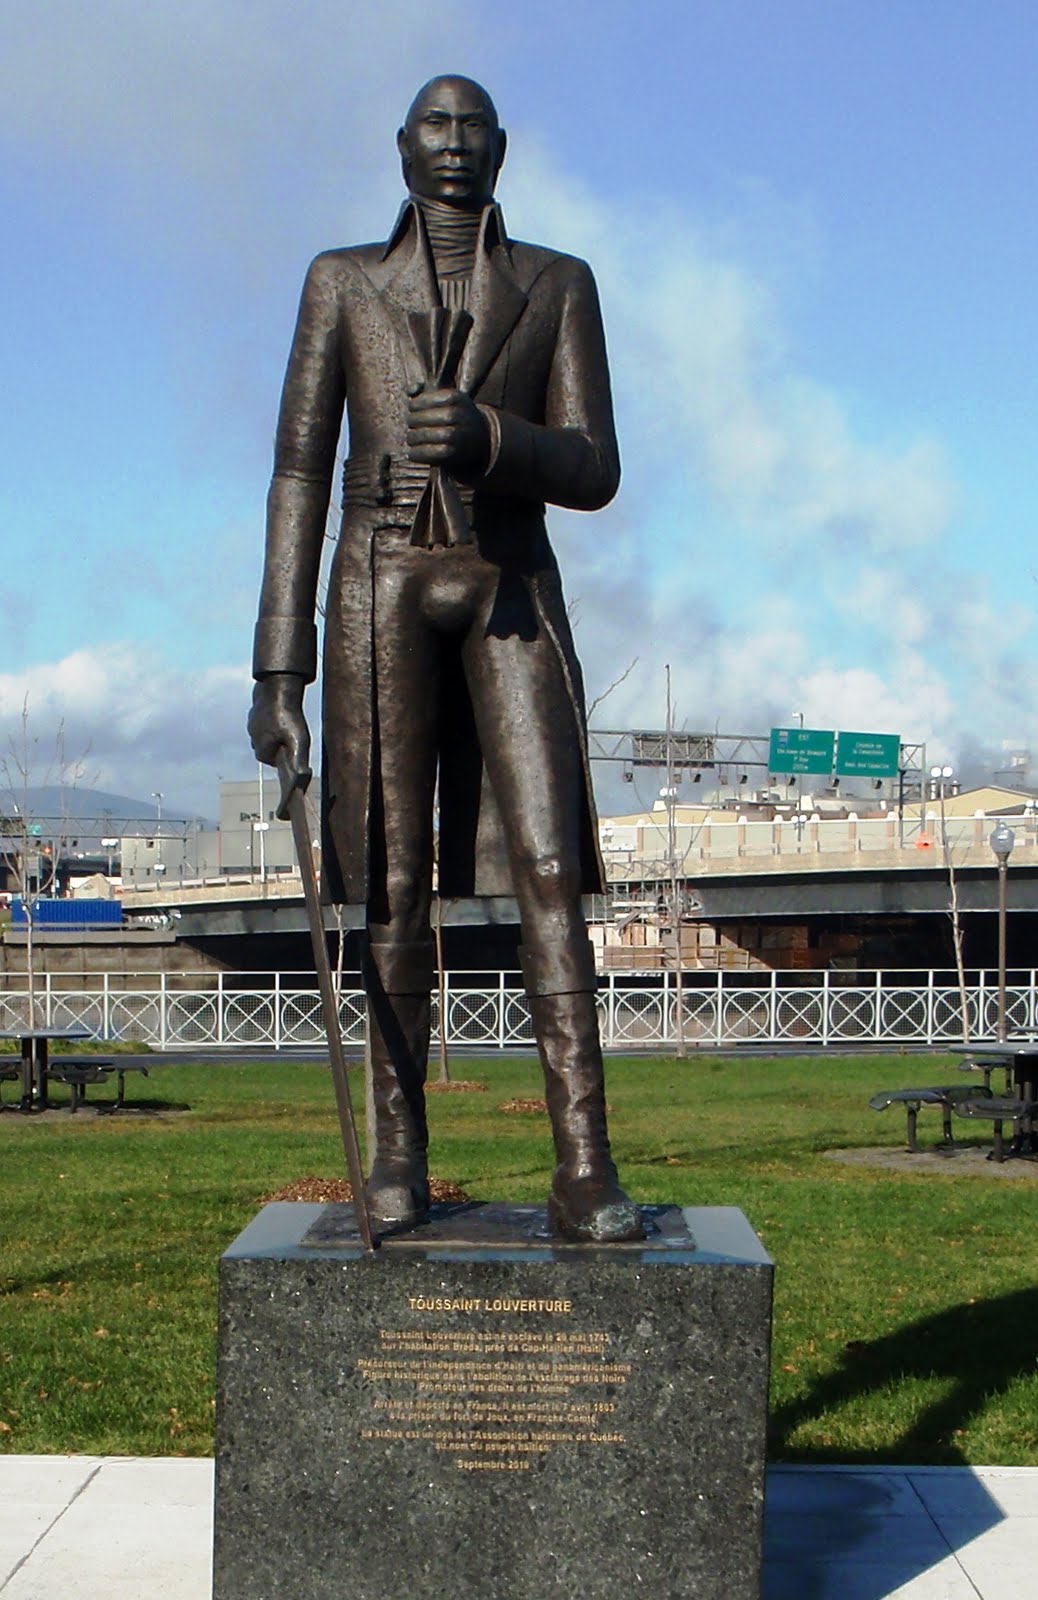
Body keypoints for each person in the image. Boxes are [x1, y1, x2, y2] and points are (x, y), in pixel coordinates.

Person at [249, 75, 642, 1242]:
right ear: (402, 147)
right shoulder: (341, 282)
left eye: (474, 128)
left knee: (549, 862)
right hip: (377, 581)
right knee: (390, 878)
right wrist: (282, 664)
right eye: (436, 125)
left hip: (508, 580)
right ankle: (398, 1158)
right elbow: (298, 471)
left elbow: (594, 463)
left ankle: (584, 1166)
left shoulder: (558, 284)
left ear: (504, 148)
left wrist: (493, 440)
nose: (455, 145)